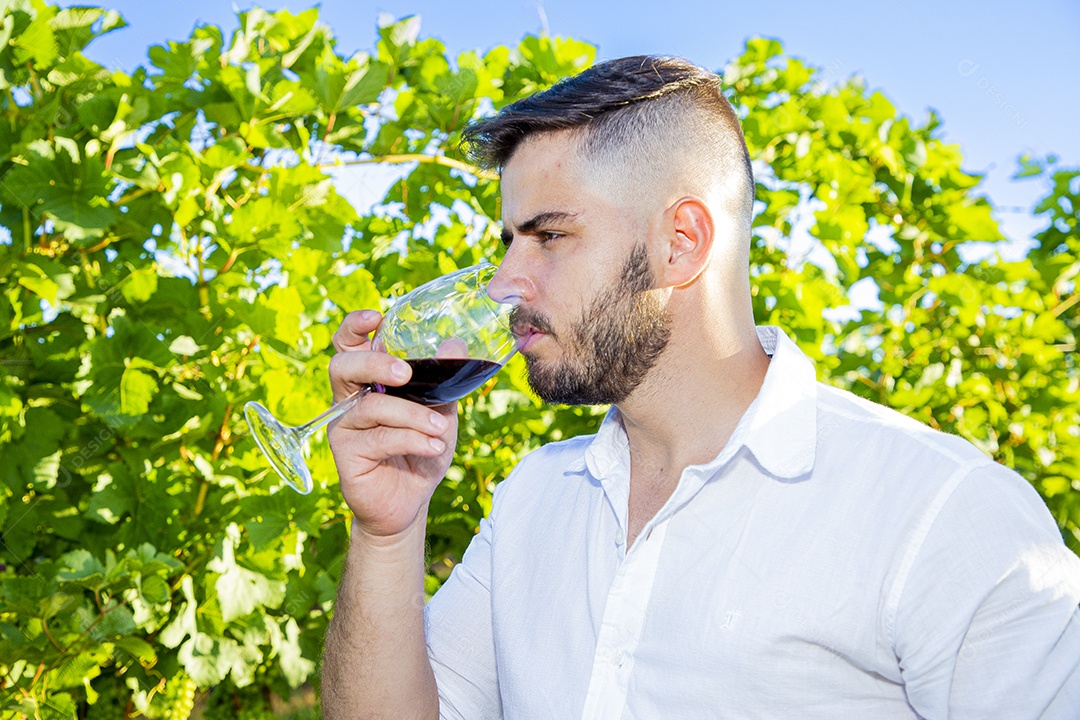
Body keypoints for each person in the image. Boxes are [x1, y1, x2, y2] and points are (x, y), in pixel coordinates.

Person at [320, 55, 1080, 719]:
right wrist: (386, 534)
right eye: (508, 241)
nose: (502, 285)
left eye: (550, 236)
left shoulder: (942, 513)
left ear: (682, 243)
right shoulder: (533, 500)